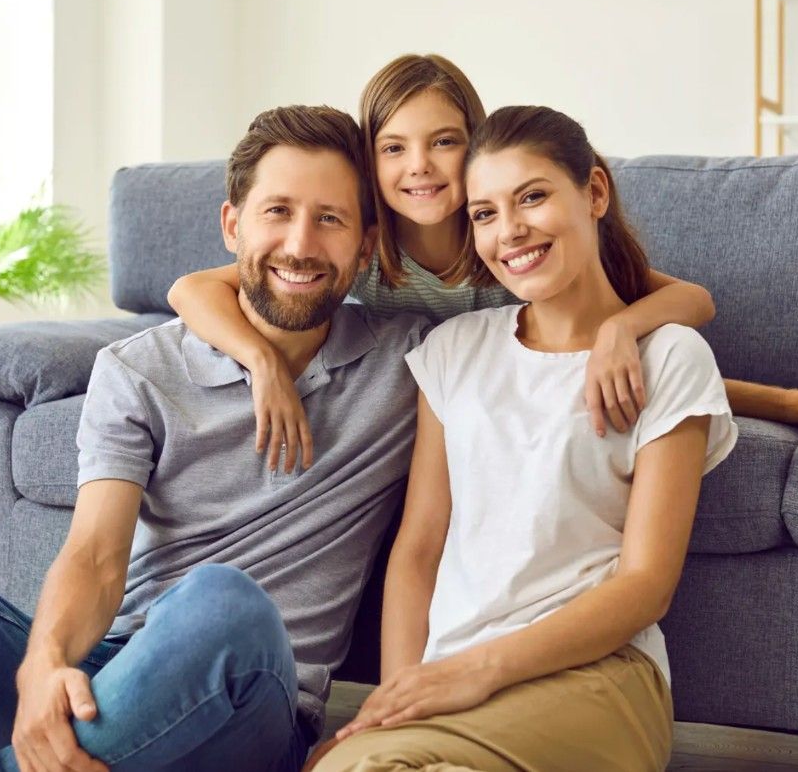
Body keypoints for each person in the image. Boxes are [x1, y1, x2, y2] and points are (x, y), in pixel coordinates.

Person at [0, 105, 432, 772]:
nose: (300, 243)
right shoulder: (137, 368)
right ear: (231, 225)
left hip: (255, 698)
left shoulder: (407, 362)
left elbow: (506, 282)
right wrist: (43, 664)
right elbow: (96, 555)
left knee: (224, 598)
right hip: (114, 669)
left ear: (364, 246)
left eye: (328, 218)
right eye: (277, 211)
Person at [167, 54, 798, 475]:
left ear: (476, 145)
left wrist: (619, 331)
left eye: (444, 142)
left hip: (533, 382)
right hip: (426, 406)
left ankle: (794, 401)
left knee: (611, 361)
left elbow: (692, 301)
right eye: (394, 147)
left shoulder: (510, 244)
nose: (419, 167)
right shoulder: (360, 249)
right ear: (370, 158)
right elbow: (190, 287)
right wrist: (261, 363)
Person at [307, 105, 739, 772]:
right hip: (452, 670)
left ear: (594, 193)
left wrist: (481, 669)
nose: (509, 231)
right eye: (482, 213)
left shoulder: (671, 356)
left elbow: (646, 582)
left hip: (595, 674)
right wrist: (396, 696)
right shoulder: (453, 349)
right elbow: (419, 546)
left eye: (531, 197)